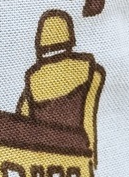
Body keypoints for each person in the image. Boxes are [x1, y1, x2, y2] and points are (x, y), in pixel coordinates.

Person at [17, 10, 105, 162]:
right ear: (70, 38)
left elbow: (22, 124)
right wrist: (91, 157)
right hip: (78, 154)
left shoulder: (32, 82)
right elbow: (88, 118)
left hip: (43, 159)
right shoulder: (91, 72)